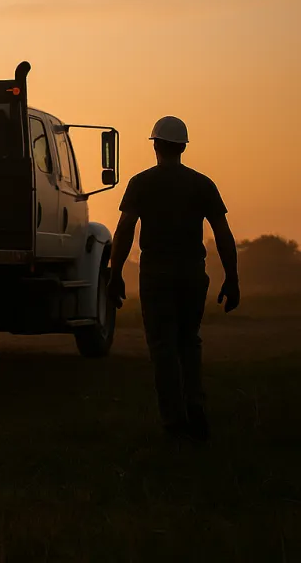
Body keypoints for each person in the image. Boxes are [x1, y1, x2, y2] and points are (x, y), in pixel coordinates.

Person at [108, 116, 240, 442]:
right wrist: (232, 278)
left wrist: (114, 274)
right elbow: (222, 233)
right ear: (182, 147)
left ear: (156, 146)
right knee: (188, 342)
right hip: (193, 274)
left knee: (163, 348)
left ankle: (174, 424)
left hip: (156, 275)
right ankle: (195, 410)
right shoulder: (202, 184)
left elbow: (125, 230)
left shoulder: (141, 183)